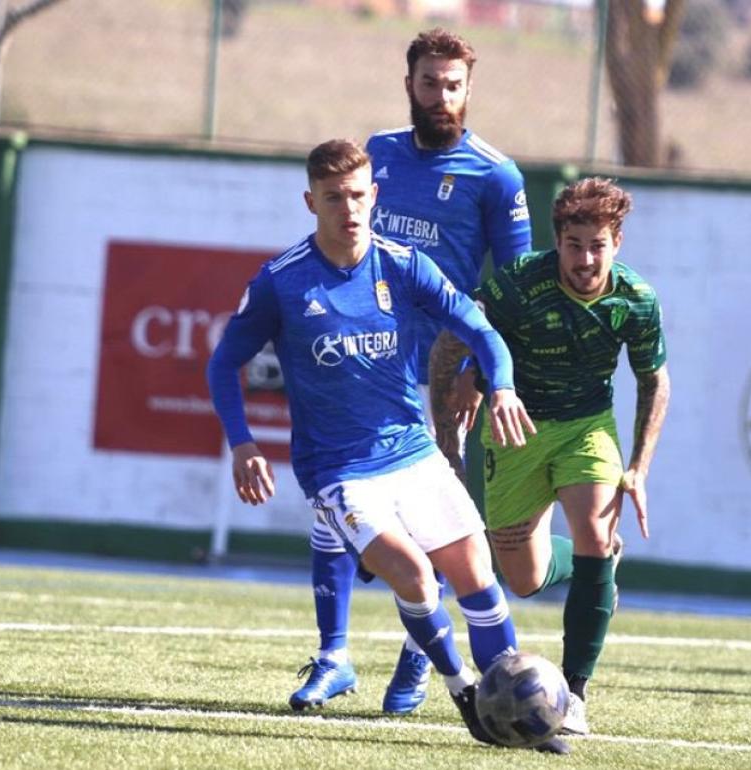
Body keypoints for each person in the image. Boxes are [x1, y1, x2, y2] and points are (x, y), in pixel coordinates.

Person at [206, 140, 567, 753]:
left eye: (357, 195)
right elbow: (223, 364)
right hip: (338, 469)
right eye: (333, 198)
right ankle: (463, 691)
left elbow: (479, 328)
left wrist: (500, 384)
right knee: (414, 574)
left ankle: (522, 715)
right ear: (310, 201)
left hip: (412, 452)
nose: (348, 209)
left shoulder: (404, 263)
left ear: (374, 196)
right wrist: (242, 444)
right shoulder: (281, 281)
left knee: (479, 577)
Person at [299, 28, 534, 716]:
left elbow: (512, 286)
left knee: (440, 526)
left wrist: (478, 377)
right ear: (410, 84)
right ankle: (333, 654)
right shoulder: (378, 155)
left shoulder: (496, 175)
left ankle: (418, 659)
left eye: (453, 84)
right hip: (366, 362)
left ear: (469, 89)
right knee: (333, 500)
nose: (441, 96)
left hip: (442, 372)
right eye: (429, 82)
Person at [430, 177, 671, 736]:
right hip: (513, 428)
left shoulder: (636, 300)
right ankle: (594, 563)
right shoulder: (518, 284)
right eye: (574, 245)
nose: (585, 259)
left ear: (617, 243)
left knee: (593, 529)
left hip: (588, 428)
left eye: (598, 246)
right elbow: (453, 343)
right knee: (524, 577)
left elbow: (654, 380)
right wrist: (451, 428)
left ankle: (577, 693)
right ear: (557, 241)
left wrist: (638, 466)